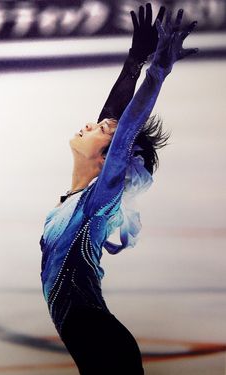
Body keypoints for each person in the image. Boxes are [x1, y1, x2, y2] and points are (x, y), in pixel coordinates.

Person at [39, 4, 198, 374]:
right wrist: (135, 60)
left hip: (101, 341)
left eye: (101, 129)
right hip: (99, 340)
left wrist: (157, 71)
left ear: (112, 158)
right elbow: (114, 122)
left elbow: (123, 131)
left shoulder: (98, 203)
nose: (90, 124)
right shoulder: (82, 201)